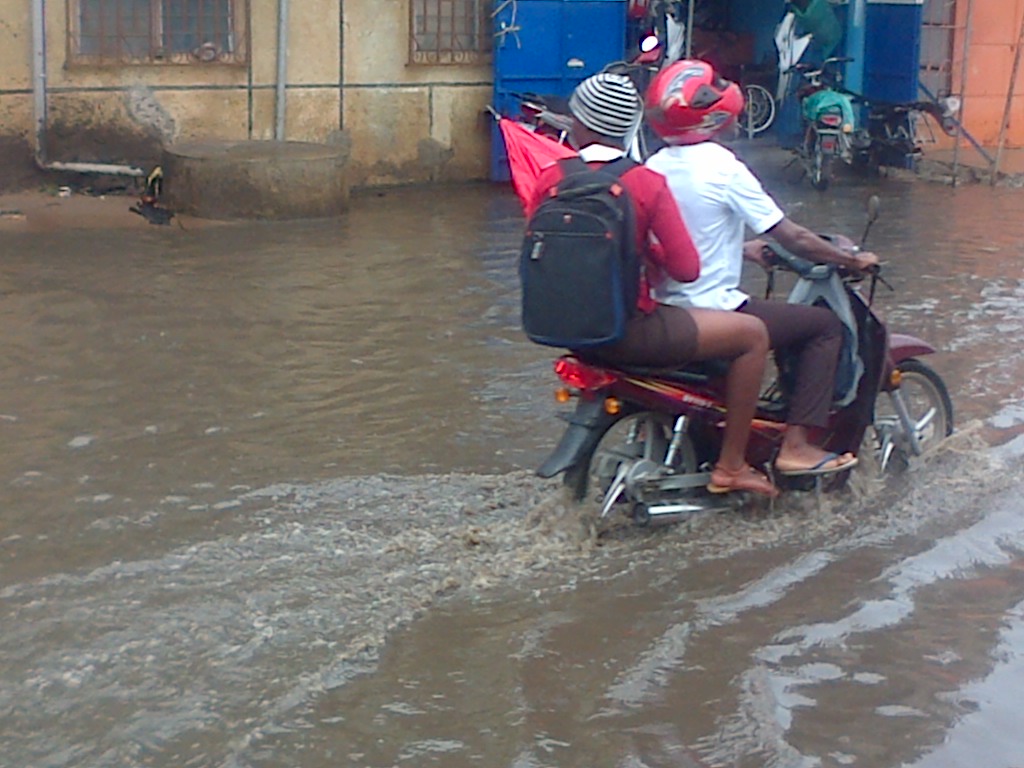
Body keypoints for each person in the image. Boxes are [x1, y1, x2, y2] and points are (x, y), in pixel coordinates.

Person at [526, 72, 777, 497]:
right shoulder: (645, 181)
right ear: (630, 127)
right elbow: (686, 270)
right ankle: (732, 465)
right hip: (631, 332)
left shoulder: (549, 178)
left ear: (577, 123)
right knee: (753, 335)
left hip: (565, 333)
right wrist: (651, 253)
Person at [643, 59, 880, 477]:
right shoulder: (724, 169)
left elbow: (686, 234)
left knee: (784, 321)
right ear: (716, 114)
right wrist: (851, 259)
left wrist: (741, 249)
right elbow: (793, 238)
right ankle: (796, 445)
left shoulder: (653, 166)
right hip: (714, 311)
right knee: (823, 327)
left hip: (667, 312)